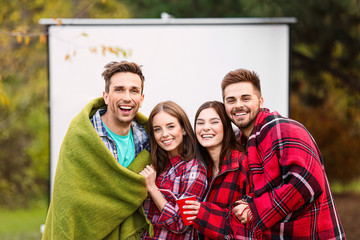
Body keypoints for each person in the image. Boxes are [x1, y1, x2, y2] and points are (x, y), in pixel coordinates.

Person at [221, 68, 346, 239]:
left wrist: (255, 209)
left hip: (312, 234)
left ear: (260, 101)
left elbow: (308, 181)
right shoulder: (239, 141)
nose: (238, 105)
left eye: (245, 98)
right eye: (231, 100)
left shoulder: (282, 128)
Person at [42, 61, 154, 239]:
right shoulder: (82, 136)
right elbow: (69, 201)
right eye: (119, 89)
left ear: (141, 98)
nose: (127, 97)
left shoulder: (149, 141)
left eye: (134, 90)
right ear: (106, 96)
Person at [183, 101, 253, 239]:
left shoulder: (243, 164)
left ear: (226, 127)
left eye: (214, 122)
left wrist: (204, 214)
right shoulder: (201, 168)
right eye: (200, 123)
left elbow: (250, 224)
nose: (206, 128)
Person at [139, 101, 207, 239]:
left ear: (183, 129)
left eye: (170, 126)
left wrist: (152, 189)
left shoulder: (194, 168)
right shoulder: (156, 166)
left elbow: (180, 223)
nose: (164, 134)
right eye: (157, 129)